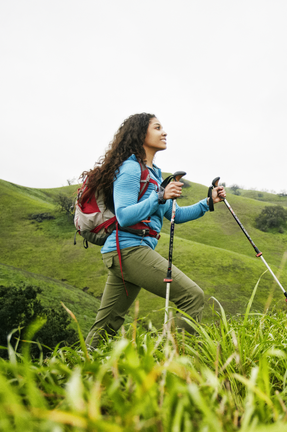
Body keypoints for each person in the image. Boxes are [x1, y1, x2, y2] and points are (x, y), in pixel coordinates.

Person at [79, 112, 225, 349]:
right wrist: (158, 196)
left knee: (106, 325)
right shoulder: (130, 168)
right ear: (140, 134)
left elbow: (174, 215)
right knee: (193, 297)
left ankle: (78, 372)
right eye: (157, 128)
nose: (164, 132)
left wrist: (208, 203)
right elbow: (125, 216)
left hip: (127, 251)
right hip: (128, 249)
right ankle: (166, 361)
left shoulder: (154, 174)